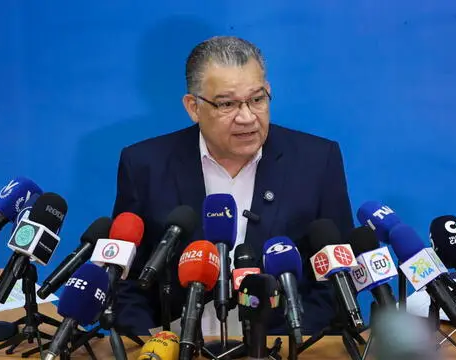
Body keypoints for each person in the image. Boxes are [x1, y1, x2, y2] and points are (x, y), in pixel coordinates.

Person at [113, 36, 354, 336]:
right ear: (193, 107)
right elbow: (125, 281)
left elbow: (337, 283)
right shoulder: (144, 165)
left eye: (257, 99)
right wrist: (151, 345)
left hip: (281, 346)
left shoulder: (317, 161)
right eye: (227, 104)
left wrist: (289, 344)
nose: (247, 117)